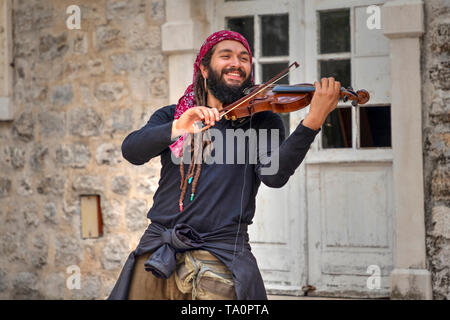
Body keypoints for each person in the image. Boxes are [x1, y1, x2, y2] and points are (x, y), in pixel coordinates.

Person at [108, 30, 341, 300]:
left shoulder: (262, 121)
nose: (237, 62)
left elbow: (273, 175)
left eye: (244, 58)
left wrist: (313, 120)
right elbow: (132, 151)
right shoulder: (172, 115)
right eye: (226, 55)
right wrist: (178, 126)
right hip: (158, 253)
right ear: (204, 69)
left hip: (221, 257)